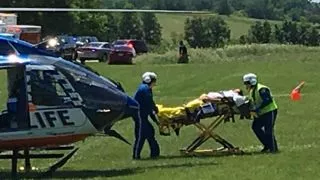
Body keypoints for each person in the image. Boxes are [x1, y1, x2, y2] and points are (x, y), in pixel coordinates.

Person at [242, 73, 279, 153]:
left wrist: (257, 108)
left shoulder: (262, 89)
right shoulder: (252, 91)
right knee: (256, 127)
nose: (246, 85)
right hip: (261, 112)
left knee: (268, 130)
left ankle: (273, 148)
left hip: (270, 111)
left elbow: (268, 100)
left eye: (247, 83)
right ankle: (267, 145)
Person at [132, 72, 160, 160]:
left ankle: (154, 153)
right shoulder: (145, 89)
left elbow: (149, 106)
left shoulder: (145, 88)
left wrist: (154, 119)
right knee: (141, 135)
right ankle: (136, 155)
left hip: (141, 115)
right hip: (139, 115)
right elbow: (149, 103)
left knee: (149, 132)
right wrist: (155, 109)